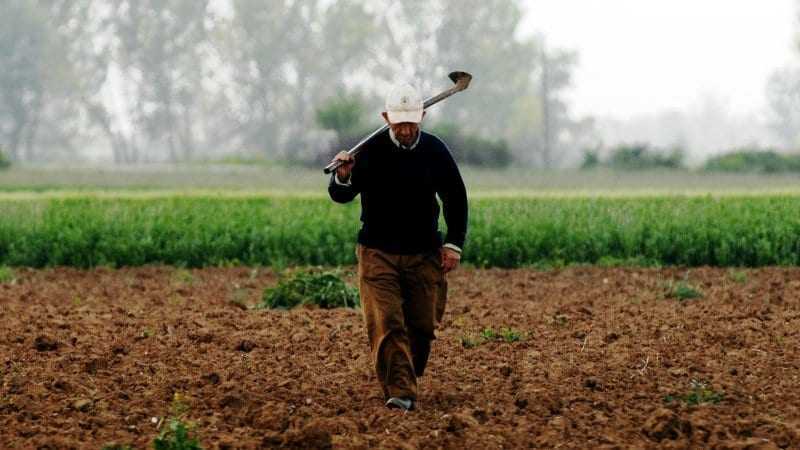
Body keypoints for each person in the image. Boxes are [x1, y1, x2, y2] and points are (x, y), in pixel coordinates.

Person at [328, 82, 468, 412]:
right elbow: (341, 195)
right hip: (378, 253)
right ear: (386, 117)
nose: (406, 129)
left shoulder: (435, 151)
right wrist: (344, 176)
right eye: (399, 122)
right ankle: (401, 391)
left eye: (411, 122)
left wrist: (453, 244)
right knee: (387, 322)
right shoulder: (369, 151)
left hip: (424, 253)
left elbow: (455, 198)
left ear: (421, 117)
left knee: (421, 327)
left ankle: (405, 375)